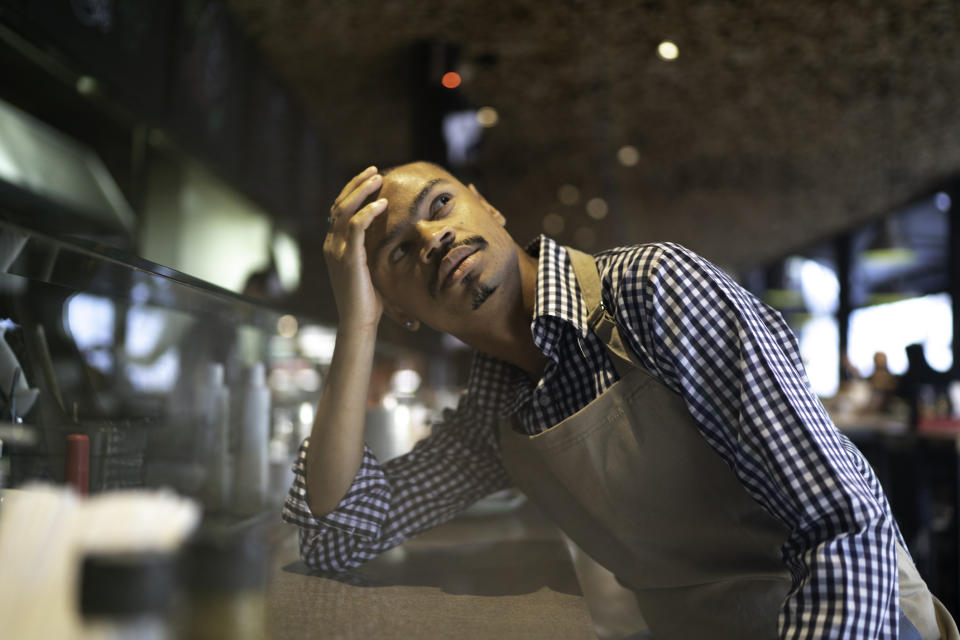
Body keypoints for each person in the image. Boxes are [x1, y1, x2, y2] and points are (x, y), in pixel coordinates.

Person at [282, 162, 958, 639]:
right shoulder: (497, 410)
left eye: (439, 206)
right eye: (400, 253)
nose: (434, 239)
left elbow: (844, 521)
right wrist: (356, 325)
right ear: (399, 310)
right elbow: (340, 537)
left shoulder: (653, 290)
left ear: (487, 206)